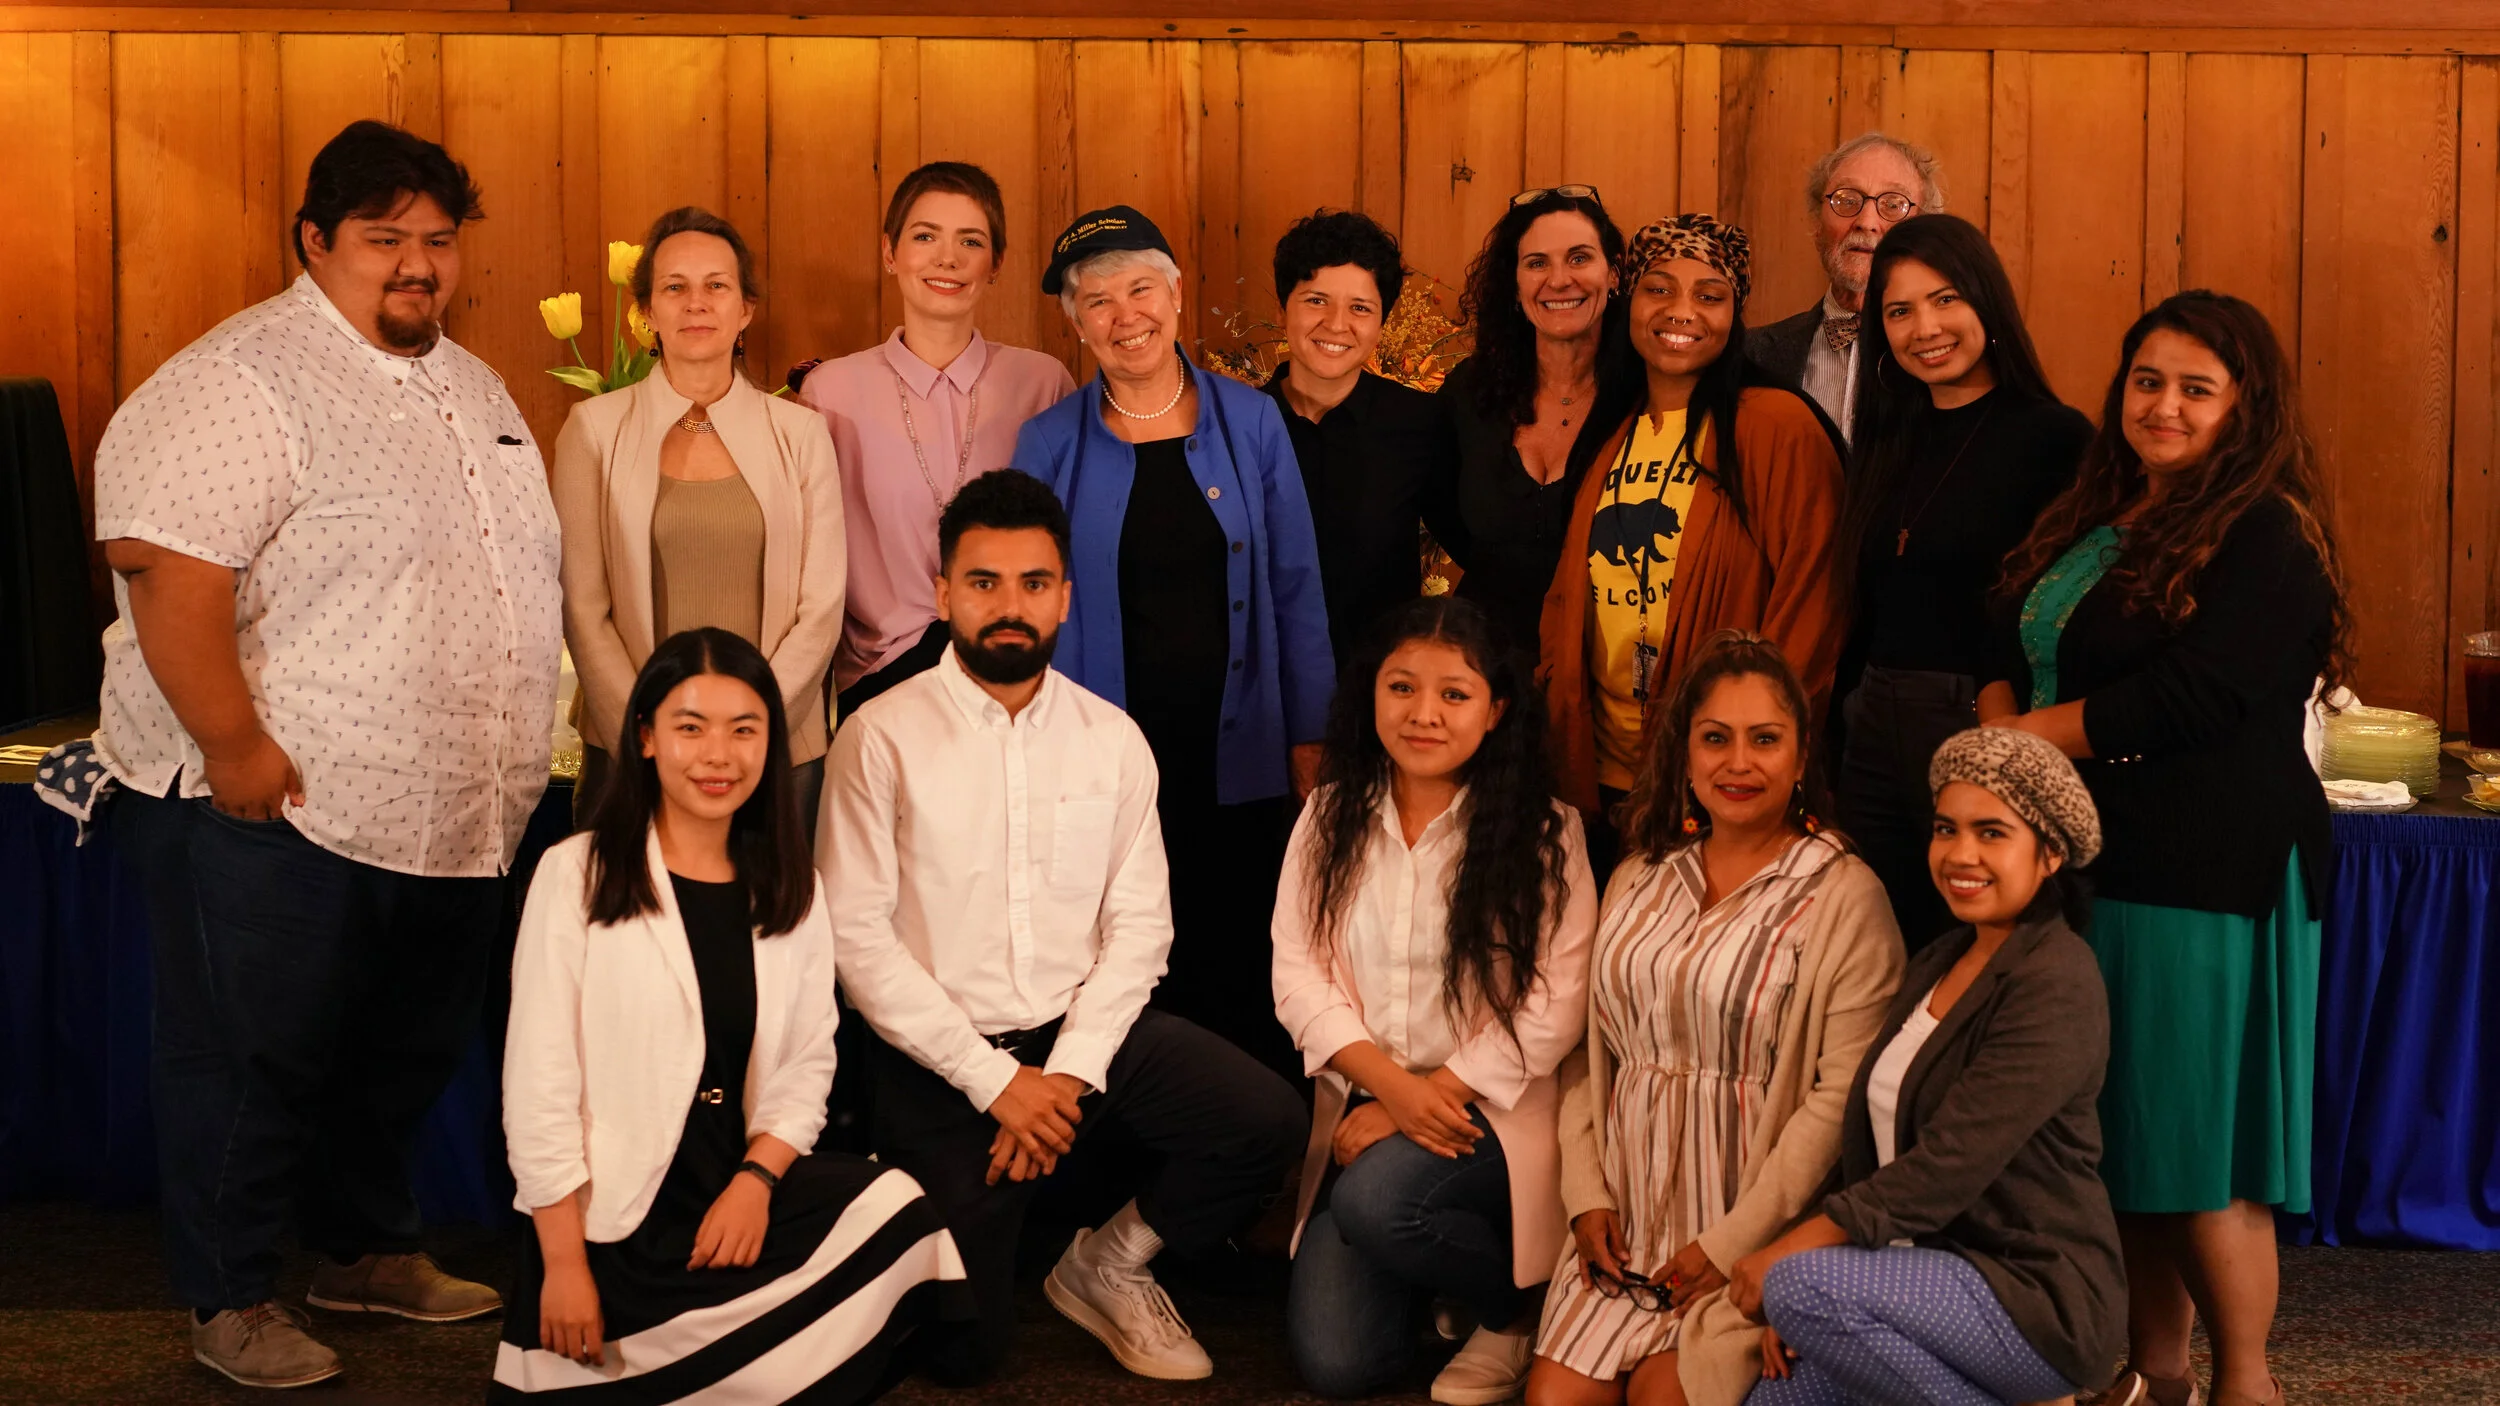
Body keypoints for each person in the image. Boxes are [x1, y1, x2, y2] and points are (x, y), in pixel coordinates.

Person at [82, 120, 556, 1387]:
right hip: (279, 797)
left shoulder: (472, 382)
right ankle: (230, 1294)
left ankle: (359, 1250)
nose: (416, 264)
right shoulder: (244, 378)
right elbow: (169, 572)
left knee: (393, 1048)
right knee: (250, 1054)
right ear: (316, 242)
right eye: (383, 238)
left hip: (443, 808)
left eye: (437, 240)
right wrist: (234, 744)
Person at [820, 469, 1307, 1386]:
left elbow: (1140, 931)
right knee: (962, 1355)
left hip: (1084, 1038)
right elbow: (858, 941)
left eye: (1033, 584)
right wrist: (998, 1083)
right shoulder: (878, 736)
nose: (1010, 607)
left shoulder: (1111, 737)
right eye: (984, 583)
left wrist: (1068, 1075)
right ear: (943, 595)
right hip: (942, 1059)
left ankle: (1107, 1261)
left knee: (1264, 1119)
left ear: (1064, 596)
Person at [1981, 291, 2349, 1406]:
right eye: (2147, 379)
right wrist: (2002, 714)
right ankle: (2156, 1372)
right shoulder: (2103, 510)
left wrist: (2013, 741)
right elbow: (2008, 631)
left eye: (2196, 386)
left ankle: (2247, 1382)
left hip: (2207, 871)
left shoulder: (2266, 532)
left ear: (2245, 407)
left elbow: (2195, 693)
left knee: (2200, 1153)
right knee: (2127, 1146)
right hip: (2102, 859)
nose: (2164, 404)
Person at [496, 628, 969, 1401]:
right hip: (616, 1216)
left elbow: (809, 1062)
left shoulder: (793, 887)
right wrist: (563, 1266)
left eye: (744, 729)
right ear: (645, 738)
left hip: (732, 1196)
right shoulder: (576, 875)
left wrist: (756, 1179)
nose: (719, 754)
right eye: (691, 727)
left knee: (900, 1215)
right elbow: (537, 1085)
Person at [1528, 630, 1904, 1406]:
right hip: (1622, 1236)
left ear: (1802, 759)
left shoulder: (1844, 895)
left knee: (1664, 1398)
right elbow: (1588, 1053)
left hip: (1744, 1243)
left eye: (1765, 740)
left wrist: (1732, 1244)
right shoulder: (1639, 873)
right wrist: (1584, 1194)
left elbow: (1839, 1101)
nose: (1739, 763)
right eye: (1716, 739)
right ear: (1686, 755)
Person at [1011, 204, 1336, 1077]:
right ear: (1076, 324)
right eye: (1099, 302)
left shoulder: (1251, 422)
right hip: (1103, 758)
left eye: (1141, 289)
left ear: (1177, 295)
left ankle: (1251, 1165)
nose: (1126, 317)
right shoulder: (1047, 442)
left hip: (1240, 747)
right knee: (1120, 954)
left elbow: (1297, 584)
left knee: (1236, 944)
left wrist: (1311, 735)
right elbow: (1026, 602)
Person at [1731, 726, 2125, 1406]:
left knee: (1797, 1290)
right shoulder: (1940, 959)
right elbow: (1869, 1142)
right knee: (1776, 1400)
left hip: (2031, 1294)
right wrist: (1819, 1276)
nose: (1960, 854)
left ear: (2051, 853)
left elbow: (1952, 1162)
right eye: (1947, 829)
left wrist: (1798, 1258)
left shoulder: (2057, 979)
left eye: (1992, 833)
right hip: (1917, 1274)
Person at [1273, 596, 1599, 1405]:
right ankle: (1440, 1277)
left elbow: (1555, 1005)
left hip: (1489, 1111)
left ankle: (1513, 1310)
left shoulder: (1548, 834)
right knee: (1336, 1364)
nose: (1424, 714)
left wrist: (1424, 1099)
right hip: (1371, 1104)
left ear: (1495, 710)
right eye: (1402, 688)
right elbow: (1295, 974)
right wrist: (1391, 1089)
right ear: (1371, 694)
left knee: (1380, 1200)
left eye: (1454, 694)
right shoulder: (1329, 815)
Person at [1540, 215, 1847, 872]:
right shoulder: (1611, 433)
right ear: (1630, 299)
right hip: (1604, 771)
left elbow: (1814, 600)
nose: (1682, 312)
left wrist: (1750, 745)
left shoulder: (1776, 427)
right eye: (1659, 289)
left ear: (1735, 314)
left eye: (1709, 295)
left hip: (1718, 776)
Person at [1831, 214, 2091, 951]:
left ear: (1986, 302)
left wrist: (1998, 710)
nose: (1925, 328)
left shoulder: (2053, 437)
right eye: (1900, 310)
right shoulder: (1888, 438)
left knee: (1978, 937)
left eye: (1945, 300)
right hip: (1872, 719)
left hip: (1978, 711)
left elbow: (2063, 609)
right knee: (1873, 941)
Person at [553, 206, 845, 830]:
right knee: (626, 923)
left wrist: (749, 727)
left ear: (745, 311)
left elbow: (821, 607)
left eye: (717, 285)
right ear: (648, 312)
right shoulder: (594, 431)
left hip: (777, 751)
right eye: (674, 287)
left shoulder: (801, 433)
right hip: (630, 747)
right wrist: (647, 734)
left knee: (767, 926)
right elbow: (583, 606)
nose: (697, 303)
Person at [802, 162, 1076, 719]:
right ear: (890, 253)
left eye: (970, 241)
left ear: (995, 262)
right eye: (924, 236)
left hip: (1017, 670)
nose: (946, 259)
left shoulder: (1042, 382)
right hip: (883, 675)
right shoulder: (831, 392)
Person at [1436, 186, 1644, 658]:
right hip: (1482, 667)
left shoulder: (1649, 394)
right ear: (1513, 284)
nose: (1558, 279)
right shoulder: (1471, 392)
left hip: (1609, 672)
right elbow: (1445, 509)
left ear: (1614, 273)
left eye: (1579, 258)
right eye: (1536, 263)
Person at [1263, 209, 1459, 664]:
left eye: (1360, 308)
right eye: (1315, 300)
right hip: (1262, 687)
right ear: (1280, 308)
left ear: (1382, 322)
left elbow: (1475, 540)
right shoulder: (1239, 426)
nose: (1336, 324)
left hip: (1381, 688)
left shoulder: (1420, 422)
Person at [1747, 134, 1945, 444]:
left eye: (1893, 204)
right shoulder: (1752, 356)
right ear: (1816, 223)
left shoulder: (1953, 355)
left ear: (1924, 230)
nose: (1867, 221)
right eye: (1847, 200)